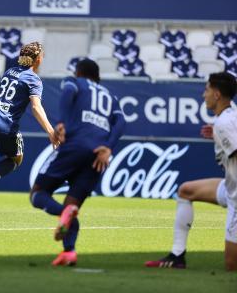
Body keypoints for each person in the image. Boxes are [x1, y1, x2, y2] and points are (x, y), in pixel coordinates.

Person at [30, 58, 126, 266]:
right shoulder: (111, 96)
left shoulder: (75, 82)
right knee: (71, 205)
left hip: (74, 145)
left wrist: (62, 122)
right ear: (97, 77)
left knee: (38, 194)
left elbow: (67, 93)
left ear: (79, 73)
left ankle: (63, 215)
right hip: (98, 155)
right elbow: (121, 121)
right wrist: (109, 147)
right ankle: (69, 252)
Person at [146, 72, 237, 271]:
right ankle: (177, 256)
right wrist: (217, 135)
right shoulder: (229, 116)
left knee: (232, 266)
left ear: (217, 94)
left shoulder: (224, 123)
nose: (203, 94)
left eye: (206, 89)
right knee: (186, 190)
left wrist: (220, 133)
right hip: (231, 188)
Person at [0, 42, 58, 207]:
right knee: (15, 160)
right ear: (37, 60)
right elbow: (36, 107)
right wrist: (51, 132)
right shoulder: (34, 79)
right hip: (5, 125)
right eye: (42, 56)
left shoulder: (9, 71)